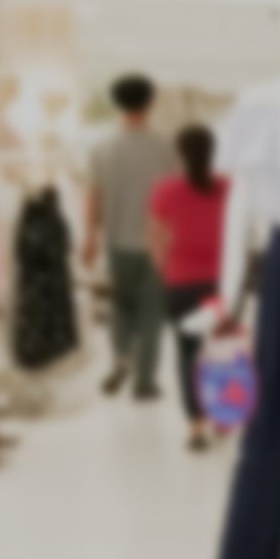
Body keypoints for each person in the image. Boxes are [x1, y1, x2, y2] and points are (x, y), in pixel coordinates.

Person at [84, 74, 175, 399]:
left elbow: (93, 196)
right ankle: (145, 383)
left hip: (116, 241)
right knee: (152, 314)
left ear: (116, 103)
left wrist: (90, 238)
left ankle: (122, 358)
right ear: (150, 102)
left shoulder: (102, 147)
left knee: (121, 306)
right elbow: (175, 198)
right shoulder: (165, 147)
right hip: (157, 244)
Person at [149, 125, 229, 450]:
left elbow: (156, 240)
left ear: (180, 153)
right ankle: (222, 416)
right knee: (221, 350)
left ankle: (195, 427)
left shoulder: (165, 189)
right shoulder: (228, 187)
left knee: (187, 353)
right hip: (220, 284)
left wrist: (166, 274)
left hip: (180, 283)